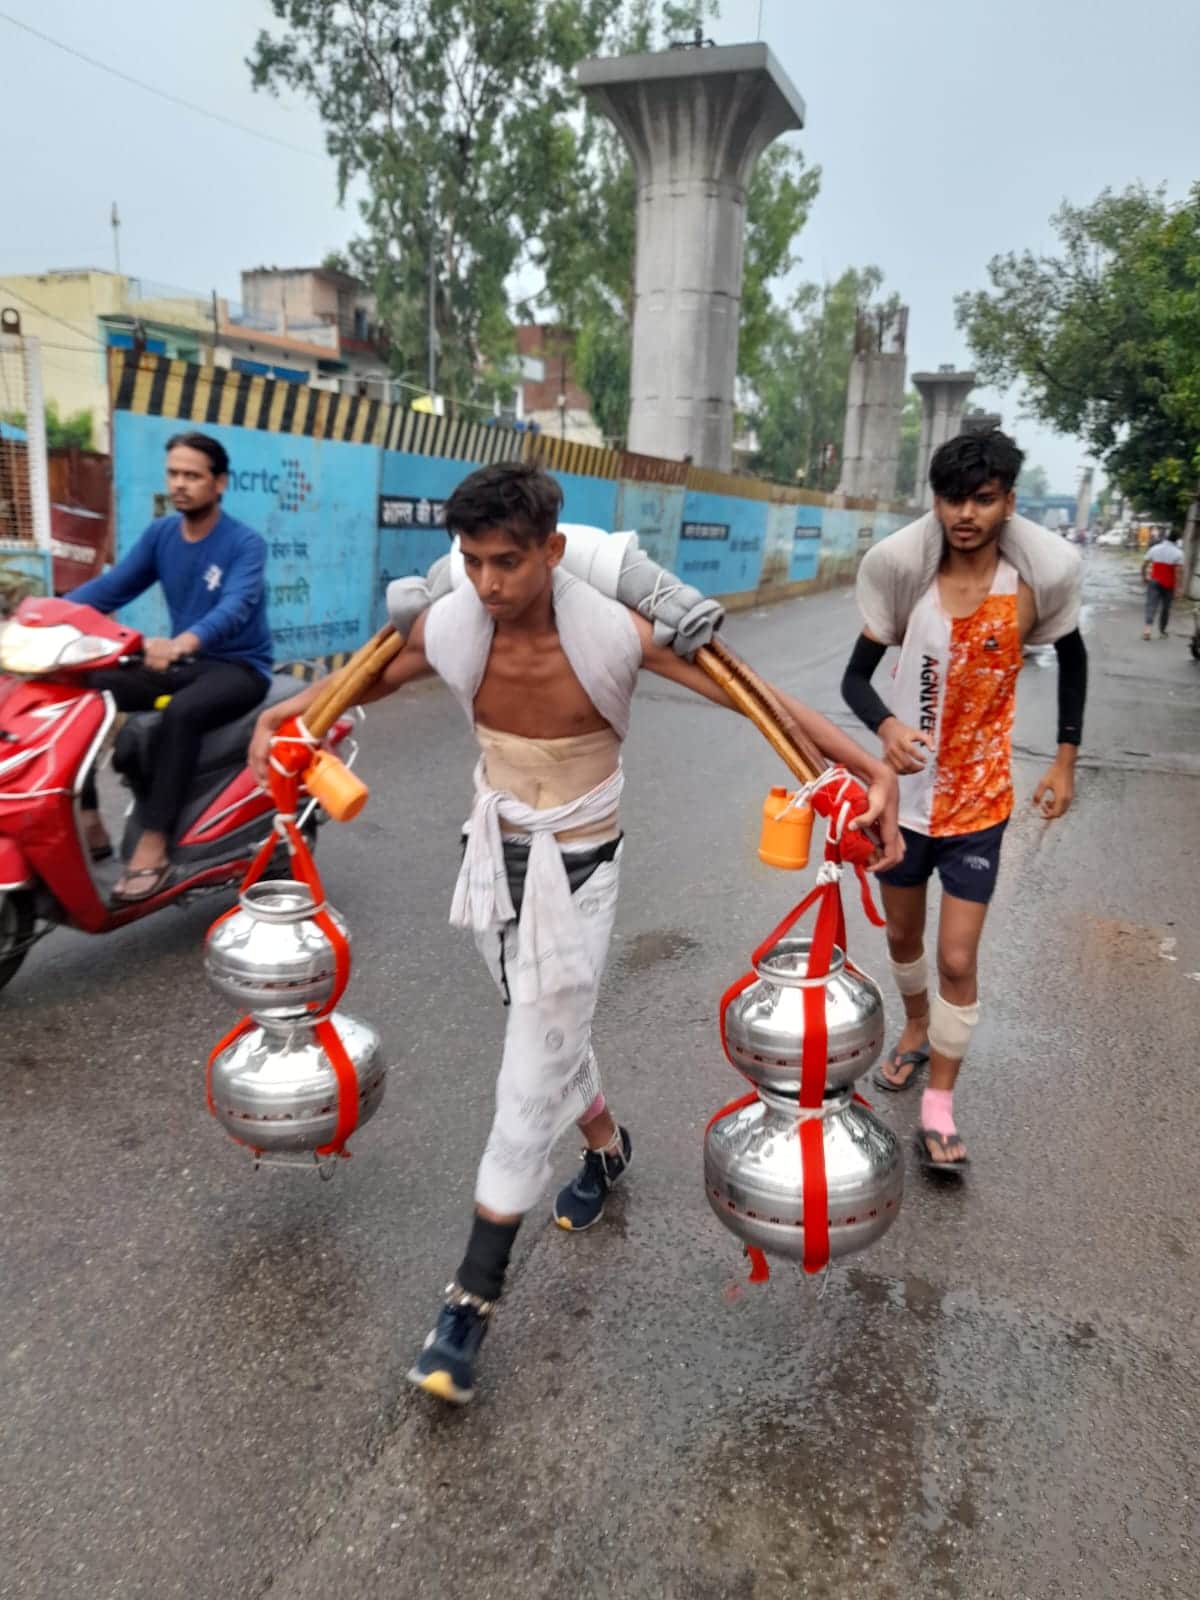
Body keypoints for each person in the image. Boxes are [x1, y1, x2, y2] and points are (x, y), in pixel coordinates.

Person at [249, 461, 903, 1405]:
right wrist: (284, 722)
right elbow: (360, 680)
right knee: (543, 1028)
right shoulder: (455, 623)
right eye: (472, 560)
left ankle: (468, 1302)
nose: (487, 583)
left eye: (507, 561)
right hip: (493, 858)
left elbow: (754, 698)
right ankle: (605, 1144)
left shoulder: (613, 629)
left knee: (525, 1073)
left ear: (552, 552)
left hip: (584, 870)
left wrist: (866, 769)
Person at [841, 430, 1087, 1172]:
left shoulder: (1031, 588)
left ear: (1009, 501)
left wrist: (1066, 761)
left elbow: (1074, 664)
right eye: (953, 499)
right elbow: (856, 679)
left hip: (981, 806)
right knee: (902, 942)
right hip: (904, 806)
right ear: (937, 503)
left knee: (956, 958)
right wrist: (884, 725)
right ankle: (915, 1029)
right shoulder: (907, 581)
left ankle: (940, 1107)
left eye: (984, 498)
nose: (967, 514)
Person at [70, 432, 272, 901]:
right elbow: (110, 590)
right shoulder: (162, 534)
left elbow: (236, 606)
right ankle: (88, 817)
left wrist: (183, 642)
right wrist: (41, 613)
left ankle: (155, 843)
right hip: (184, 663)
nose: (180, 484)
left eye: (193, 476)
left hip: (238, 667)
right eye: (174, 474)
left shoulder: (244, 543)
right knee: (83, 686)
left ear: (219, 482)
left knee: (181, 712)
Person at [1142, 529, 1184, 640]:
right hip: (1169, 584)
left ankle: (1147, 629)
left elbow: (1144, 564)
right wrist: (1178, 589)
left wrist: (1144, 576)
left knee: (1151, 605)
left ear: (1166, 537)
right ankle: (1162, 632)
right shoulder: (1179, 553)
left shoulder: (1155, 549)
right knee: (1166, 608)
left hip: (1154, 580)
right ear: (1177, 540)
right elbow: (1178, 573)